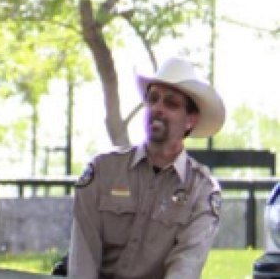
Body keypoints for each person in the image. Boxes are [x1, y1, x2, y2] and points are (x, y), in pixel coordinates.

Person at [68, 56, 224, 279]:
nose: (158, 107)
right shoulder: (102, 171)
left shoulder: (202, 191)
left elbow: (185, 269)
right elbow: (82, 264)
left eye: (171, 103)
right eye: (153, 99)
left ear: (190, 120)